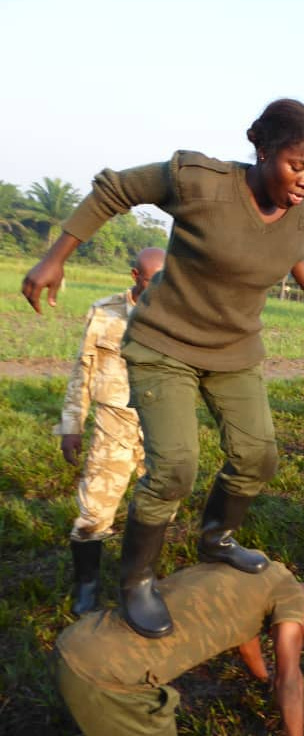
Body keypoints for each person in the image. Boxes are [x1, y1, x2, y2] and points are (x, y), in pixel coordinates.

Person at [22, 99, 304, 639]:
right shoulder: (199, 181)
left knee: (257, 455)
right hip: (163, 344)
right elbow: (114, 189)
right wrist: (56, 256)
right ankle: (136, 581)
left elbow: (291, 248)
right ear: (264, 150)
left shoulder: (302, 210)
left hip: (234, 350)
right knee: (175, 469)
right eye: (298, 166)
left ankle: (217, 538)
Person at [55, 561, 304, 736]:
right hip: (105, 679)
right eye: (303, 632)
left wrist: (262, 678)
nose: (295, 636)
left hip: (76, 641)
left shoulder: (257, 570)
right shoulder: (290, 599)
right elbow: (290, 679)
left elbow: (247, 642)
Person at [57, 247, 166, 616]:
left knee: (159, 508)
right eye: (153, 281)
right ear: (135, 276)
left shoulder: (177, 315)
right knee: (95, 511)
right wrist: (72, 425)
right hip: (114, 424)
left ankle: (142, 580)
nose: (160, 289)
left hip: (159, 425)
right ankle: (86, 585)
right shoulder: (104, 312)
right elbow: (82, 371)